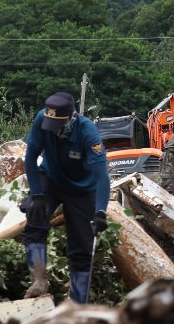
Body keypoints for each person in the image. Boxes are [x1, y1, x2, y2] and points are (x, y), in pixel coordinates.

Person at [22, 92, 111, 304]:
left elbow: (102, 177)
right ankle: (39, 281)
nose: (51, 128)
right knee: (34, 222)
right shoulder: (42, 119)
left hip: (82, 188)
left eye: (56, 124)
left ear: (70, 118)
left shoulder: (88, 133)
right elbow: (30, 156)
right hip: (51, 178)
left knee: (81, 245)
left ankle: (77, 300)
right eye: (49, 122)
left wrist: (100, 211)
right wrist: (36, 194)